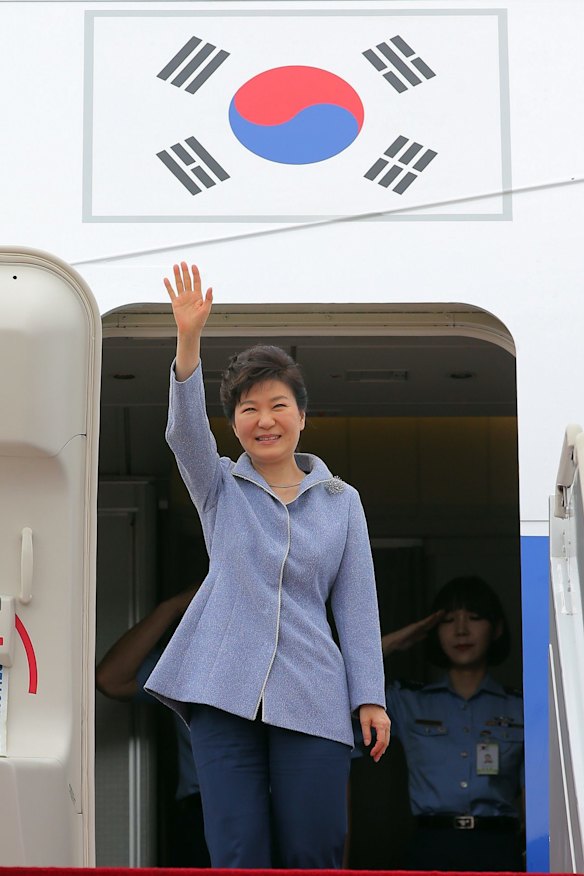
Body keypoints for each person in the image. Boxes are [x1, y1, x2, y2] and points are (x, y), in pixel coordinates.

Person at [145, 262, 390, 869]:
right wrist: (187, 341)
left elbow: (356, 606)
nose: (265, 419)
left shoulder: (341, 501)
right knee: (237, 851)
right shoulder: (219, 488)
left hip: (313, 691)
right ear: (235, 425)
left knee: (315, 847)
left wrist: (370, 697)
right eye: (248, 409)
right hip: (221, 690)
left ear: (301, 416)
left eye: (278, 405)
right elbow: (184, 435)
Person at [381, 576, 524, 871]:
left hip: (500, 847)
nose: (461, 630)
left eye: (474, 618)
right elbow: (330, 689)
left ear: (497, 629)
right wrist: (394, 642)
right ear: (432, 631)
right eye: (448, 621)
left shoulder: (520, 706)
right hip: (431, 846)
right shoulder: (408, 701)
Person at [96, 586, 211, 867]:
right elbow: (111, 679)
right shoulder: (189, 662)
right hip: (199, 813)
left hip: (269, 806)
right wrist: (172, 607)